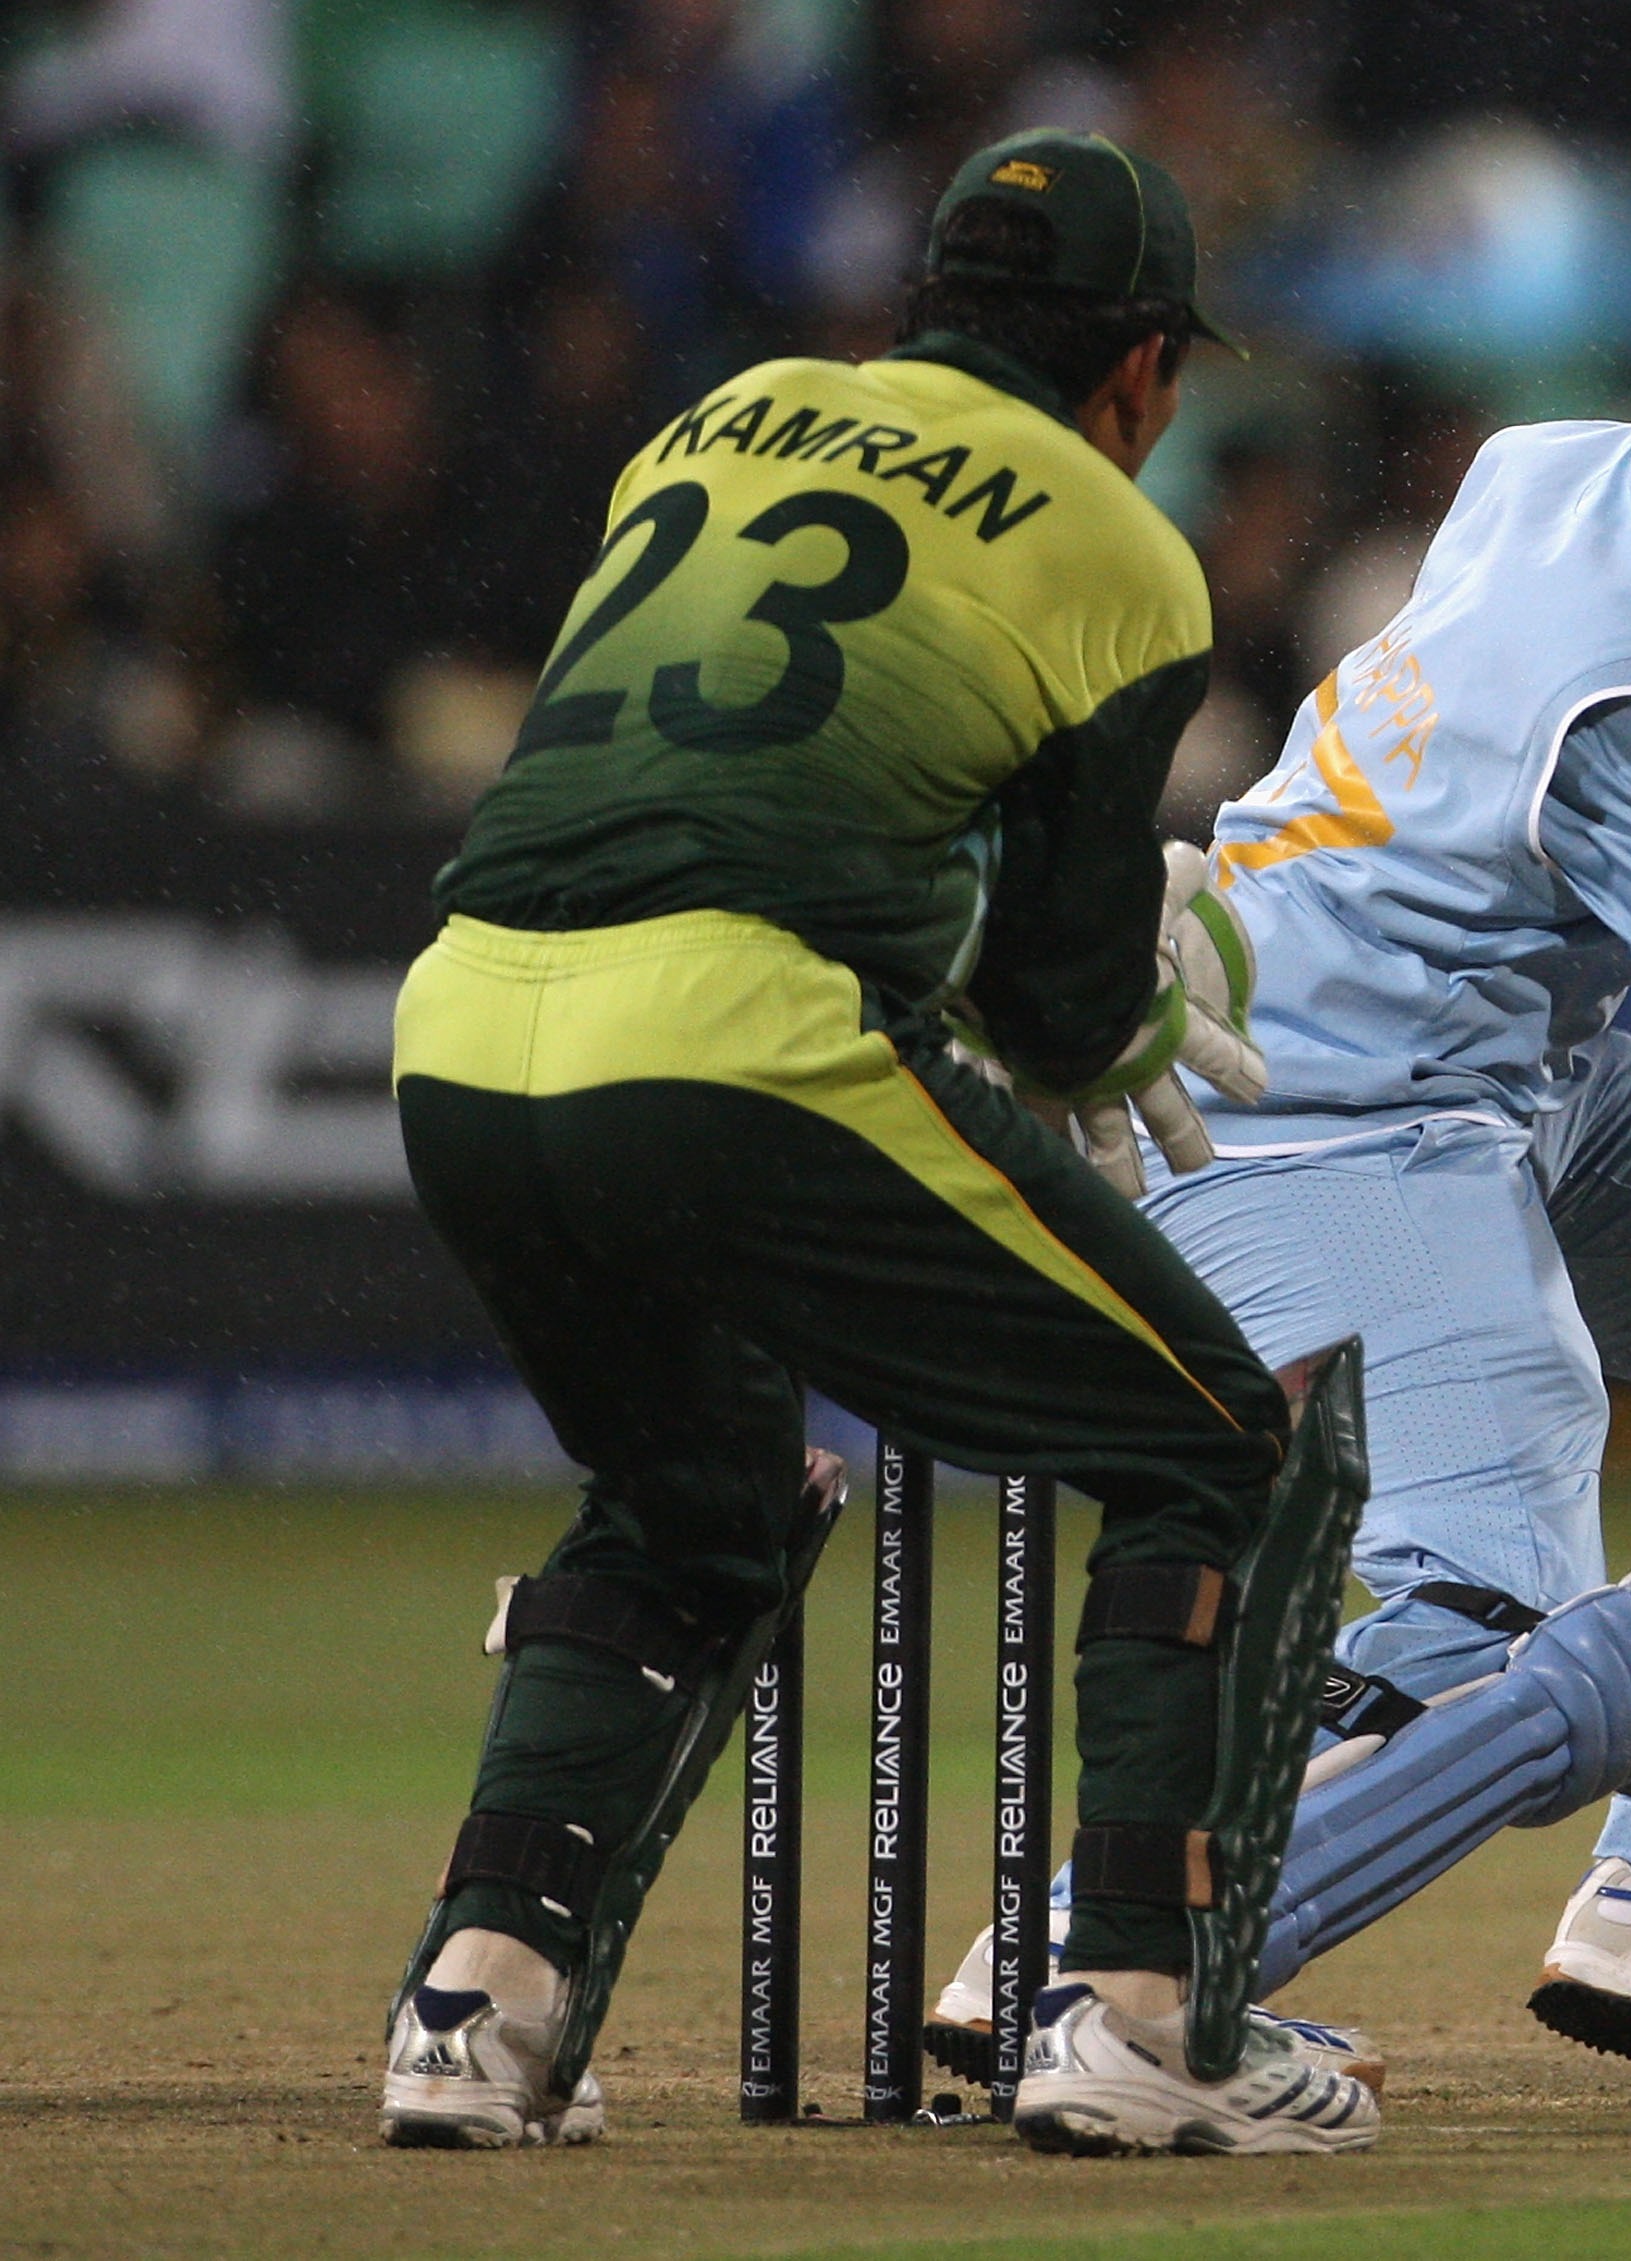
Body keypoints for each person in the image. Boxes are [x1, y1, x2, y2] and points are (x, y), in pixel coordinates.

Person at [931, 247, 1631, 2091]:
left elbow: (1571, 774)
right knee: (1492, 1624)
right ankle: (1101, 1948)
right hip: (1306, 1109)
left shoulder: (1561, 464)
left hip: (1448, 1061)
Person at [377, 128, 1376, 2159]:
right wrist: (1150, 989)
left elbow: (724, 762)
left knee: (700, 1503)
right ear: (1141, 372)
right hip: (738, 1041)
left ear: (925, 310)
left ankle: (478, 2007)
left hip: (460, 1024)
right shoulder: (1123, 547)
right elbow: (1069, 1013)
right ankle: (1142, 2017)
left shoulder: (720, 419)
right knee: (1214, 1443)